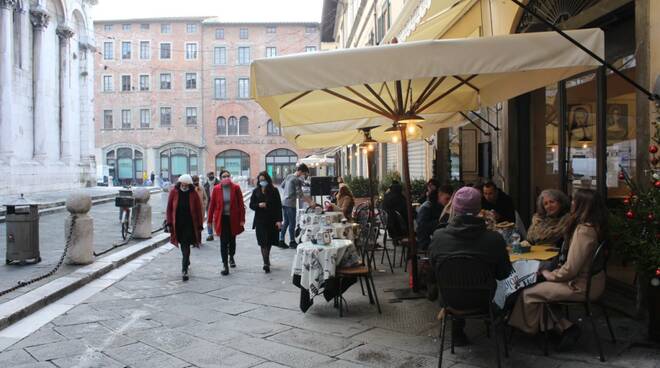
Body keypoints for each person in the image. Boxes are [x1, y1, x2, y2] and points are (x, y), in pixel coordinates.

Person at [508, 189, 608, 351]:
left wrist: (550, 274)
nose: (572, 204)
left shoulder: (584, 231)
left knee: (528, 292)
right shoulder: (593, 226)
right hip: (589, 281)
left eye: (574, 201)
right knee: (537, 288)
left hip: (581, 286)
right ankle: (562, 328)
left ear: (583, 205)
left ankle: (539, 330)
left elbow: (570, 270)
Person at [429, 186, 512, 346]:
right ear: (479, 209)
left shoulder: (439, 237)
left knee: (455, 278)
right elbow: (504, 274)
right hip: (484, 300)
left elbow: (434, 268)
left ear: (454, 207)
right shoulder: (494, 239)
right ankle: (501, 329)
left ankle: (457, 332)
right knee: (510, 289)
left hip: (449, 300)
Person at [166, 174, 203, 281]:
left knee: (186, 245)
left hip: (190, 224)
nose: (185, 185)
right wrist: (169, 223)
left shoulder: (193, 193)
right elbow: (169, 208)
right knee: (183, 245)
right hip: (178, 224)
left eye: (187, 184)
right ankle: (186, 261)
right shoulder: (174, 192)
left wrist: (200, 224)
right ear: (180, 183)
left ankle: (184, 269)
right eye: (183, 183)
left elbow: (198, 209)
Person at [208, 170, 245, 275]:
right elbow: (212, 206)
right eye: (224, 176)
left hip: (233, 218)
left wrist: (242, 219)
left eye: (228, 176)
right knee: (223, 242)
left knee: (232, 240)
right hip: (221, 219)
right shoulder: (216, 189)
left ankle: (231, 256)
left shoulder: (236, 188)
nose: (226, 177)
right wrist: (210, 220)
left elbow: (241, 205)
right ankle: (225, 265)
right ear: (220, 178)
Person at [249, 171, 283, 273]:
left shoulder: (274, 190)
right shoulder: (255, 191)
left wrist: (279, 220)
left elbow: (278, 206)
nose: (262, 182)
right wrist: (259, 205)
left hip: (271, 220)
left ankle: (266, 259)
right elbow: (251, 205)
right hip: (260, 220)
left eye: (263, 180)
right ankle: (265, 263)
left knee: (269, 242)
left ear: (267, 180)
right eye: (260, 180)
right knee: (263, 242)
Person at [279, 163, 315, 249]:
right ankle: (292, 242)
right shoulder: (296, 180)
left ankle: (281, 240)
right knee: (292, 223)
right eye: (304, 174)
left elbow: (282, 185)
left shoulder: (289, 176)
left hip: (284, 202)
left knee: (286, 222)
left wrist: (289, 192)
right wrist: (310, 202)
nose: (304, 176)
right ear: (300, 171)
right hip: (291, 204)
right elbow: (300, 195)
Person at [204, 171, 219, 241]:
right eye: (209, 175)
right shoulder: (206, 185)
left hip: (217, 204)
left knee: (217, 218)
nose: (211, 176)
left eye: (212, 174)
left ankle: (218, 231)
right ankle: (210, 234)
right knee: (209, 219)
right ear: (207, 176)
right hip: (209, 204)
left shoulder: (218, 183)